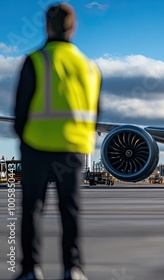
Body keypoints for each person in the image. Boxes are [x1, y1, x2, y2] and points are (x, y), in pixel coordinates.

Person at [13, 3, 100, 280]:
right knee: (70, 210)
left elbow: (21, 109)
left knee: (32, 209)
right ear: (73, 27)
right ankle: (73, 268)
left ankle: (30, 270)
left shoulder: (36, 60)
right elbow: (96, 113)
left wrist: (24, 139)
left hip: (37, 146)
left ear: (47, 26)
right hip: (73, 148)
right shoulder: (88, 66)